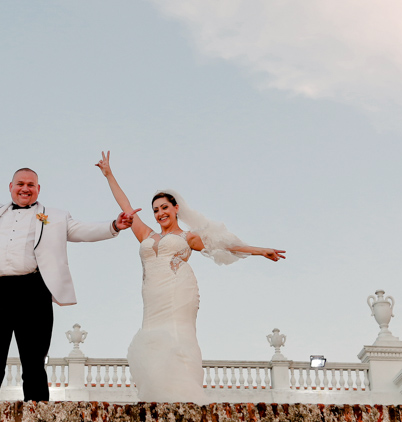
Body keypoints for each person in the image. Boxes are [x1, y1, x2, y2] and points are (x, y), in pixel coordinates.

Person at [0, 141, 138, 402]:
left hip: (34, 290)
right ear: (11, 187)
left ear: (38, 189)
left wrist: (114, 225)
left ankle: (38, 412)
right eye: (20, 184)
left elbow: (82, 230)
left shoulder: (54, 216)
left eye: (31, 185)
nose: (25, 188)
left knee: (33, 360)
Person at [95, 151, 285, 403]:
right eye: (155, 210)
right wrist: (109, 174)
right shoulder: (145, 234)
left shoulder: (188, 237)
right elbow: (126, 206)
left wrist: (261, 251)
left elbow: (225, 245)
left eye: (164, 207)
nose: (160, 213)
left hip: (178, 292)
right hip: (152, 296)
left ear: (176, 208)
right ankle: (157, 395)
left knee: (176, 336)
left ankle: (184, 395)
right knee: (152, 339)